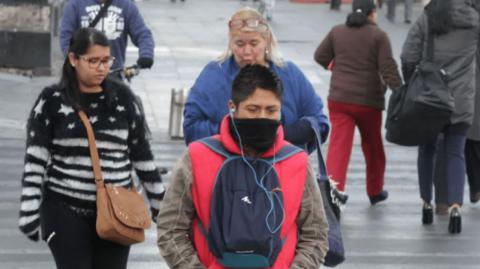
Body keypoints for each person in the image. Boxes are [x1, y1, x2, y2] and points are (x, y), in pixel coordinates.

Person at [18, 28, 165, 268]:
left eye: (106, 60)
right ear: (74, 59)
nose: (101, 67)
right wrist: (29, 209)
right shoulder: (51, 101)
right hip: (64, 208)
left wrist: (160, 205)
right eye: (93, 61)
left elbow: (142, 155)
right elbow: (35, 159)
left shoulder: (124, 99)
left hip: (117, 211)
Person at [157, 64, 329, 269]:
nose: (262, 117)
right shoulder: (197, 156)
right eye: (253, 109)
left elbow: (316, 233)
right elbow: (170, 229)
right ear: (233, 106)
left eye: (271, 110)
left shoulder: (297, 161)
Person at [183, 7, 329, 152]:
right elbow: (191, 128)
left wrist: (283, 134)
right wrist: (235, 132)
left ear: (266, 41)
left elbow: (320, 123)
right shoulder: (213, 75)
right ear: (231, 43)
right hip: (226, 167)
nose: (247, 52)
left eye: (254, 44)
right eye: (239, 44)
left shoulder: (290, 74)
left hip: (281, 168)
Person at [401, 0, 479, 234]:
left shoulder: (428, 16)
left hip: (430, 98)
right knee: (456, 151)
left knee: (427, 150)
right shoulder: (474, 20)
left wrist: (411, 81)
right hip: (462, 99)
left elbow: (408, 54)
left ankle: (427, 203)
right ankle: (455, 206)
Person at [314, 0, 401, 205]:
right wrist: (401, 90)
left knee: (339, 145)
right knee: (373, 147)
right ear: (372, 14)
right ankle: (375, 190)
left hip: (339, 99)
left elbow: (320, 56)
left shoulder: (337, 31)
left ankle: (333, 189)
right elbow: (388, 68)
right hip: (368, 102)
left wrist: (336, 67)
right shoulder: (378, 35)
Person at [60, 0, 155, 71]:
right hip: (84, 73)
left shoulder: (126, 5)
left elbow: (142, 34)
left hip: (114, 72)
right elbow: (66, 36)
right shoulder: (75, 5)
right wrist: (73, 60)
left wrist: (146, 55)